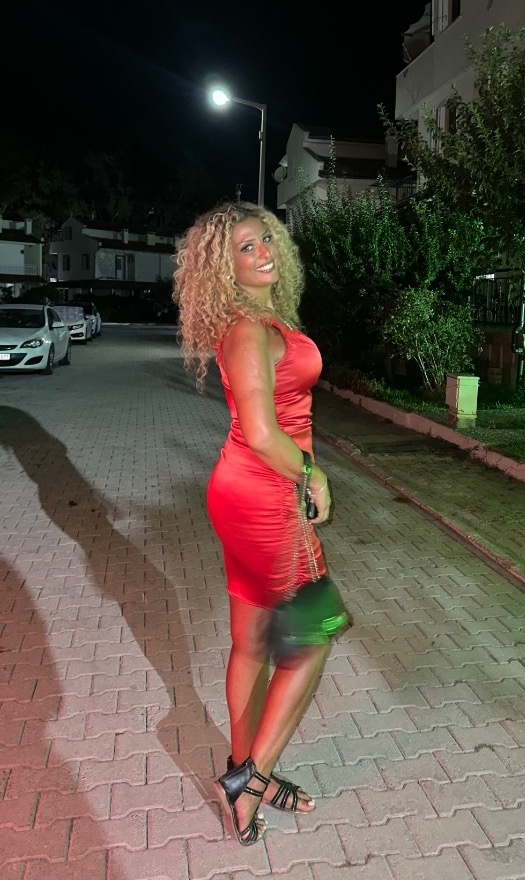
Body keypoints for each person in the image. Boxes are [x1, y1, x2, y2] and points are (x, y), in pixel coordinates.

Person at [173, 201, 334, 846]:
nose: (264, 251)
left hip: (250, 490)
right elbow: (264, 433)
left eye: (266, 238)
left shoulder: (261, 321)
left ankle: (244, 773)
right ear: (223, 266)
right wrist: (313, 475)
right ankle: (251, 779)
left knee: (251, 642)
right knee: (313, 635)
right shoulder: (245, 329)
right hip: (265, 494)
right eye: (245, 246)